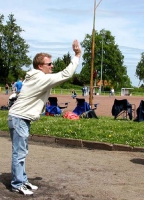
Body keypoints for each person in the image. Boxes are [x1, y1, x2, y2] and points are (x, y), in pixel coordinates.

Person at [7, 40, 81, 195]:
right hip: (19, 117)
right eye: (49, 64)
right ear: (40, 66)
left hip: (20, 117)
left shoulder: (35, 76)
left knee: (22, 151)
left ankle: (22, 179)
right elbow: (66, 74)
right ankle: (17, 183)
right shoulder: (40, 78)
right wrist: (77, 55)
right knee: (19, 152)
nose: (52, 66)